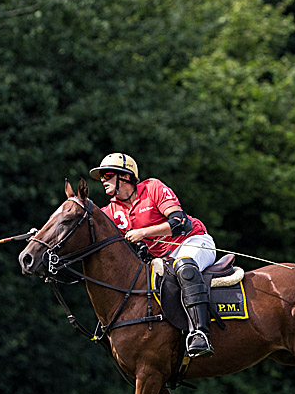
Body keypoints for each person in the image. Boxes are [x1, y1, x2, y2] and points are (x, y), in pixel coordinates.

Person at [90, 152, 218, 358]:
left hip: (192, 241)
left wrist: (143, 233)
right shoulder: (110, 212)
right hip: (161, 259)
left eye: (107, 175)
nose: (103, 181)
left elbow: (180, 223)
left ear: (125, 176)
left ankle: (200, 333)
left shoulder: (152, 188)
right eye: (102, 177)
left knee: (184, 266)